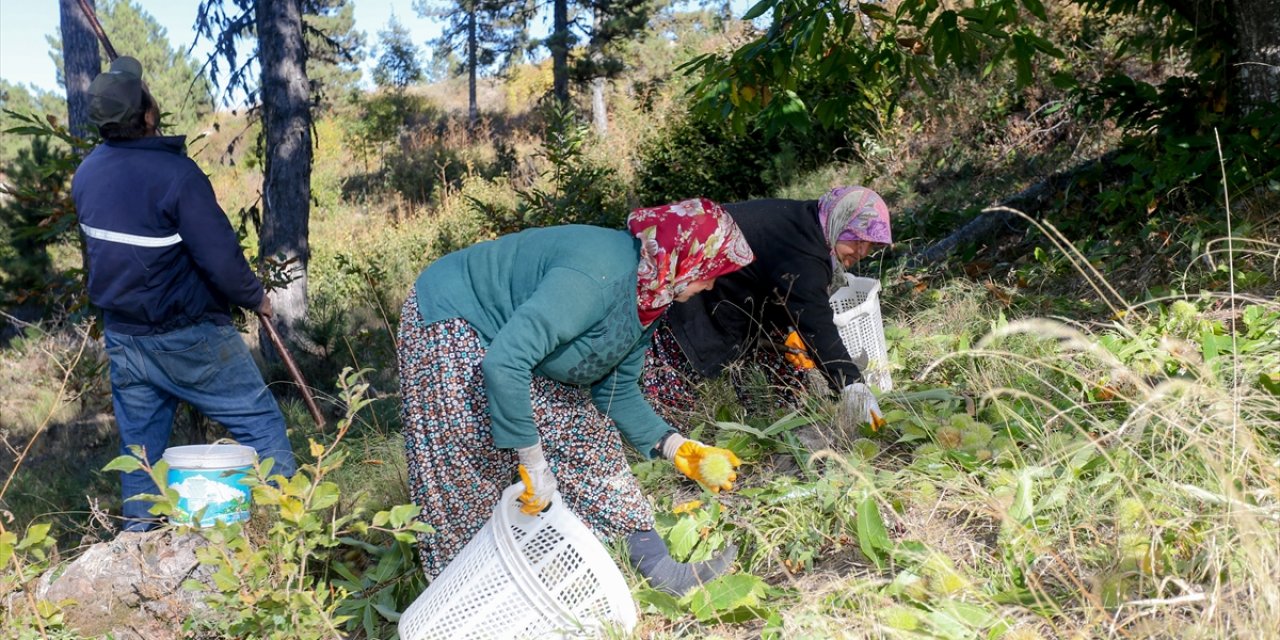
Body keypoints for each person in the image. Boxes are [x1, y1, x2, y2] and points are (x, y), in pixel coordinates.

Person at [397, 198, 754, 594]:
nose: (710, 284)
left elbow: (616, 389)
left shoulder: (652, 295)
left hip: (520, 345)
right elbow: (505, 363)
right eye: (710, 273)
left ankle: (660, 570)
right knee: (470, 459)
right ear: (687, 258)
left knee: (584, 435)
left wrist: (677, 447)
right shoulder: (595, 276)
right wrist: (532, 461)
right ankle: (469, 596)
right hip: (457, 313)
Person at [71, 56, 297, 532]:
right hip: (190, 337)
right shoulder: (177, 177)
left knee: (142, 458)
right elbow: (220, 259)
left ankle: (138, 550)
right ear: (148, 114)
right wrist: (256, 298)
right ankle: (292, 534)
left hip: (125, 339)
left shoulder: (87, 174)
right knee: (262, 426)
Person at [643, 186, 893, 426]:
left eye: (870, 245)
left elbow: (792, 295)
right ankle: (657, 449)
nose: (862, 251)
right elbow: (816, 323)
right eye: (857, 239)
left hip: (737, 300)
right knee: (671, 395)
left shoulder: (806, 221)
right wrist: (852, 386)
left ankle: (774, 417)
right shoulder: (802, 250)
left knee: (781, 390)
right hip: (688, 296)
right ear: (840, 220)